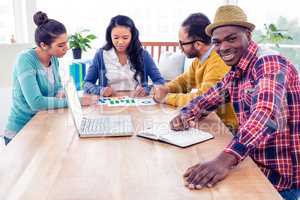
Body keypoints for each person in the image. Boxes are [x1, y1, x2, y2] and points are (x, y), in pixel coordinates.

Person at [170, 5, 300, 200]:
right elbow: (209, 98)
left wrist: (224, 160)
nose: (223, 48)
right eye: (217, 42)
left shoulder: (269, 63)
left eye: (231, 38)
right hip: (251, 162)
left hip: (278, 181)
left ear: (248, 35)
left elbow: (265, 115)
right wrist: (186, 113)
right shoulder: (236, 71)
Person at [153, 13, 237, 131]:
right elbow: (184, 81)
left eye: (182, 43)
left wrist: (166, 98)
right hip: (209, 121)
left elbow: (202, 98)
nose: (179, 47)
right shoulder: (200, 60)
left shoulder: (218, 62)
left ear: (198, 44)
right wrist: (166, 88)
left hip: (226, 128)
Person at [2, 11, 69, 145]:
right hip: (21, 132)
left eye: (66, 43)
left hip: (42, 125)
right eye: (60, 45)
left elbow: (57, 87)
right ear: (44, 45)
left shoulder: (54, 59)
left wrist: (60, 91)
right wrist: (72, 103)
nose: (66, 48)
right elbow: (36, 102)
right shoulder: (25, 60)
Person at [84, 15, 165, 97]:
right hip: (109, 104)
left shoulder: (143, 55)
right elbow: (87, 83)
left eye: (125, 38)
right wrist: (100, 90)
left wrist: (146, 90)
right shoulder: (100, 55)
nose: (120, 42)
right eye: (116, 38)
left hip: (137, 104)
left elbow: (159, 82)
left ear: (132, 36)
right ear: (110, 36)